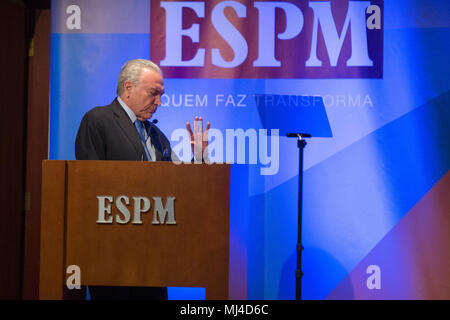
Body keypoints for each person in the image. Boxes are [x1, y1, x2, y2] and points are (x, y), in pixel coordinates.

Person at [75, 59, 209, 299]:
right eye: (153, 93)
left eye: (161, 95)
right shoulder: (98, 120)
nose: (159, 102)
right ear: (128, 88)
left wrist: (199, 156)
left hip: (153, 253)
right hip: (111, 254)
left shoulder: (156, 135)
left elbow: (181, 182)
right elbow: (87, 186)